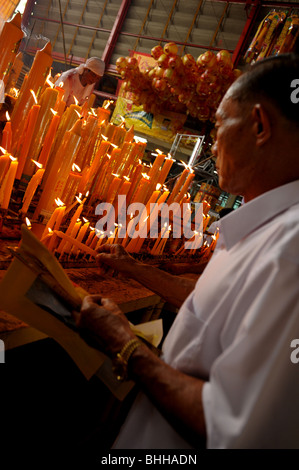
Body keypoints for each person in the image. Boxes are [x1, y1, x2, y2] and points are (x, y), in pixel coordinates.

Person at [75, 53, 299, 449]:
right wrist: (133, 268)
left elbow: (237, 429)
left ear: (260, 125)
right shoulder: (266, 226)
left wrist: (124, 344)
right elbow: (212, 309)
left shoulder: (290, 251)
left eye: (217, 125)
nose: (213, 144)